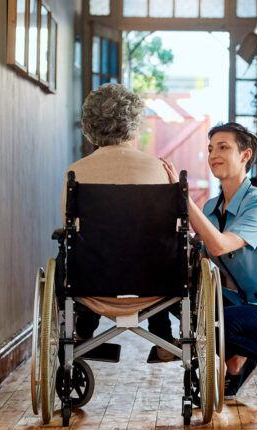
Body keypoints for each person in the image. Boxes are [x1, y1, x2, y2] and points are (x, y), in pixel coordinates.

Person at [161, 122, 257, 406]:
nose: (213, 155)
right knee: (184, 302)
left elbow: (219, 244)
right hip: (249, 305)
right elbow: (205, 258)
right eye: (210, 149)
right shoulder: (211, 208)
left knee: (218, 322)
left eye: (223, 147)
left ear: (245, 155)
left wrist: (182, 196)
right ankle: (236, 364)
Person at [62, 83, 177, 362]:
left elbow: (71, 230)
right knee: (158, 250)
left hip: (93, 284)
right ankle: (162, 337)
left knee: (83, 249)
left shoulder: (76, 172)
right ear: (135, 122)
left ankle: (83, 333)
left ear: (91, 124)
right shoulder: (159, 169)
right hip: (154, 284)